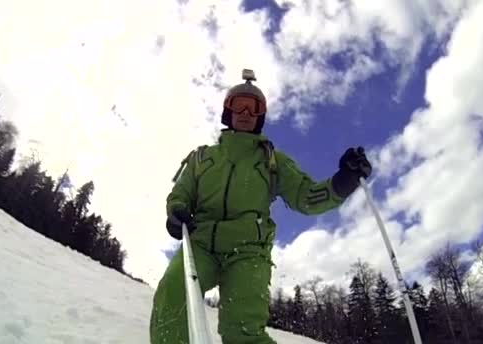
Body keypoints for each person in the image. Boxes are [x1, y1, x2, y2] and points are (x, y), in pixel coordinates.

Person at [149, 69, 372, 344]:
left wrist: (345, 180)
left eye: (253, 108)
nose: (245, 112)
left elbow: (307, 196)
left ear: (260, 116)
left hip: (248, 252)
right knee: (172, 297)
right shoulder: (203, 157)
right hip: (201, 244)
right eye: (238, 105)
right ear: (227, 112)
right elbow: (181, 192)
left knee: (243, 330)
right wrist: (177, 210)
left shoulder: (271, 161)